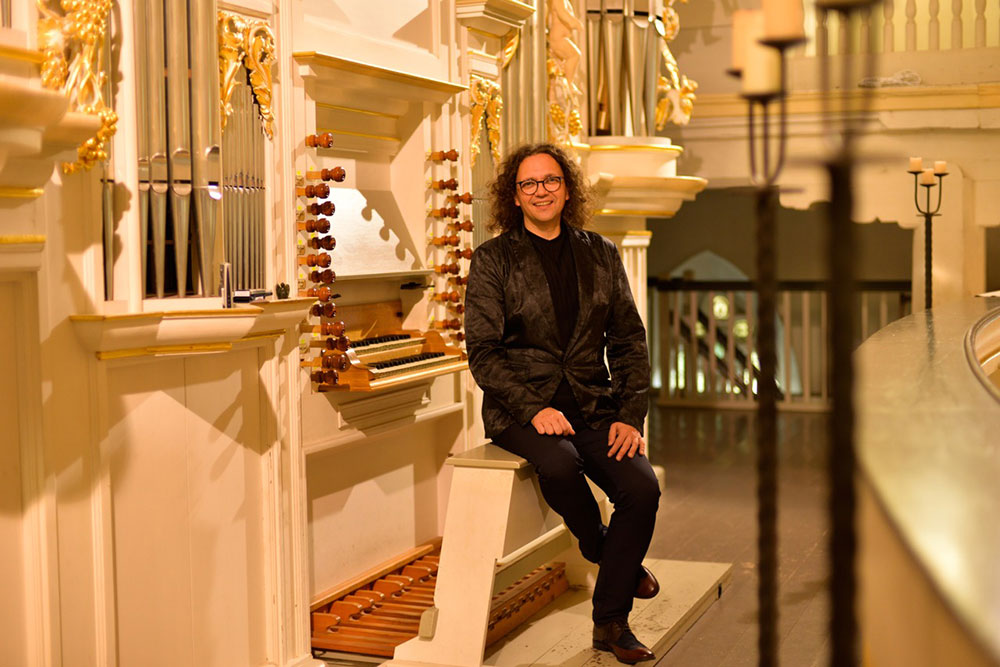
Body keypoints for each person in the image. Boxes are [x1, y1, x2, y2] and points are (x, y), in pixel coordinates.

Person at [464, 143, 660, 664]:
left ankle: (610, 625)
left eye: (550, 180)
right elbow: (483, 354)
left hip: (594, 404)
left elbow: (628, 340)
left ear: (567, 188)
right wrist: (532, 408)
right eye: (529, 184)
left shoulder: (600, 251)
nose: (541, 191)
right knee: (560, 462)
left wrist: (628, 414)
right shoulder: (492, 259)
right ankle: (598, 544)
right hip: (519, 409)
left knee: (641, 488)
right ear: (515, 195)